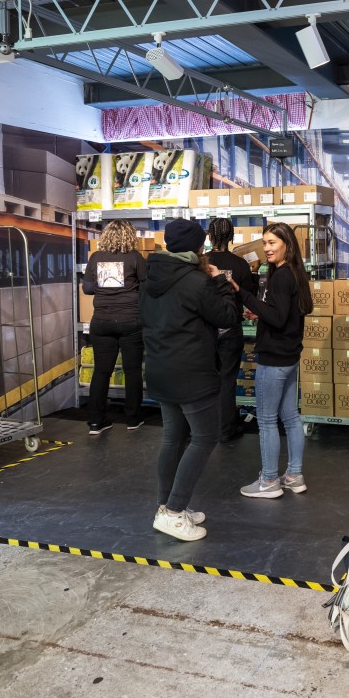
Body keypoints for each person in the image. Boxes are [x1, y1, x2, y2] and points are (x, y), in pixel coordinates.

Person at [140, 218, 239, 542]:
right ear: (198, 247)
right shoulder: (198, 282)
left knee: (173, 438)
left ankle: (166, 506)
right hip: (192, 373)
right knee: (205, 437)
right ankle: (173, 512)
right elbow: (227, 316)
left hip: (160, 368)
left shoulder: (151, 278)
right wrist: (221, 280)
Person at [223, 221, 312, 498]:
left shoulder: (282, 276)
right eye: (264, 243)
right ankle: (294, 476)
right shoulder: (295, 272)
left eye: (272, 243)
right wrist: (260, 311)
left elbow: (277, 317)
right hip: (289, 355)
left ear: (287, 244)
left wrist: (243, 294)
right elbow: (283, 312)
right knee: (291, 417)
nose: (267, 248)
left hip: (274, 359)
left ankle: (269, 481)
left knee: (266, 420)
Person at [81, 219, 147, 435]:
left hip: (101, 321)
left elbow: (87, 289)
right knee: (132, 370)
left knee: (101, 371)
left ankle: (95, 421)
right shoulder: (135, 257)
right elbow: (146, 287)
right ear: (130, 236)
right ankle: (133, 419)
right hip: (130, 320)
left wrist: (105, 285)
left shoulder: (96, 257)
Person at [203, 217, 257, 442]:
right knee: (227, 379)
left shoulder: (201, 261)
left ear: (210, 235)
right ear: (231, 236)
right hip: (230, 327)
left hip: (205, 328)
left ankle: (203, 427)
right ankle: (226, 428)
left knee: (204, 379)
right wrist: (254, 272)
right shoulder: (240, 264)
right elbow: (249, 295)